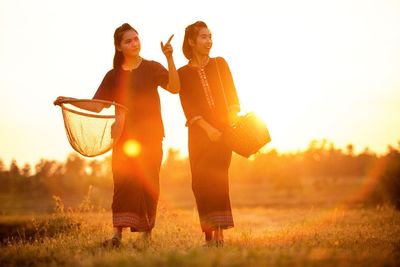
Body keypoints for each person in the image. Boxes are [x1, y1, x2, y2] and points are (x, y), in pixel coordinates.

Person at [56, 23, 180, 247]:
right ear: (119, 46)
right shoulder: (113, 76)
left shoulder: (152, 67)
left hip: (151, 136)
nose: (134, 43)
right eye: (128, 41)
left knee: (148, 183)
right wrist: (69, 100)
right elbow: (96, 107)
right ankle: (117, 236)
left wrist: (170, 58)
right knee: (122, 183)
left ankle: (146, 236)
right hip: (123, 137)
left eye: (136, 39)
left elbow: (175, 87)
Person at [178, 21, 240, 246]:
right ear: (192, 42)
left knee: (218, 181)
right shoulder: (182, 73)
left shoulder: (220, 63)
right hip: (198, 135)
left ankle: (219, 236)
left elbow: (232, 96)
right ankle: (208, 233)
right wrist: (207, 129)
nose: (209, 41)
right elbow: (188, 106)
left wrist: (231, 119)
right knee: (200, 183)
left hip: (224, 133)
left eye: (210, 36)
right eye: (204, 37)